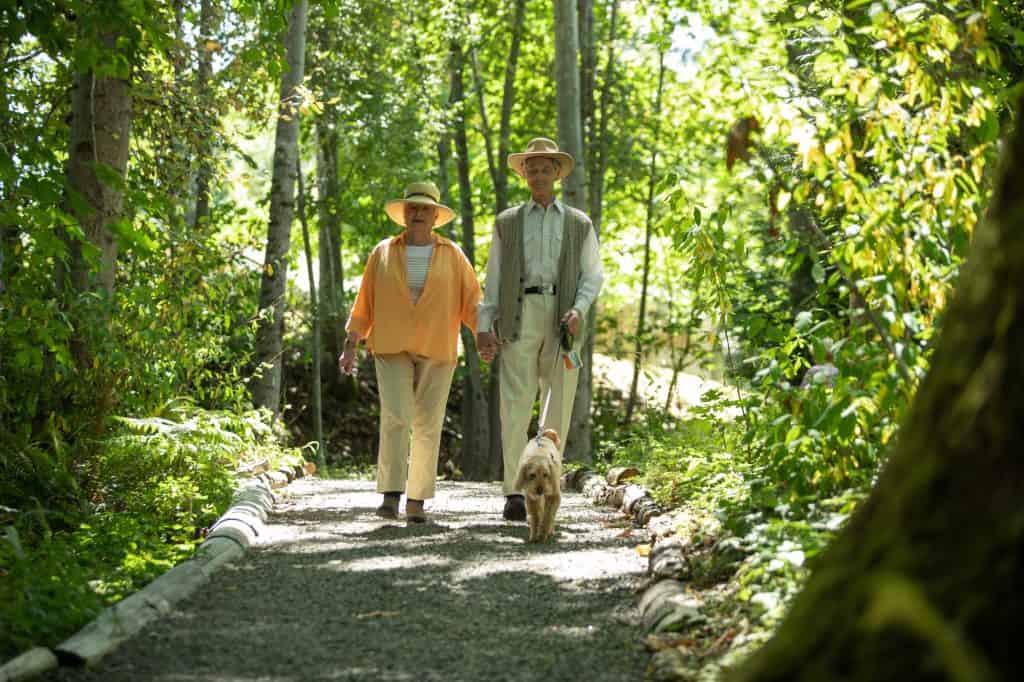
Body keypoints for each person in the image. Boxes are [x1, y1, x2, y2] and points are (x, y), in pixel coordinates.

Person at [476, 138, 604, 521]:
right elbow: (494, 277)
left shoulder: (579, 223)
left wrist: (580, 309)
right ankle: (515, 493)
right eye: (531, 168)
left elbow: (593, 275)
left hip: (562, 315)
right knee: (514, 403)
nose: (538, 174)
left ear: (557, 174)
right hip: (519, 312)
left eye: (545, 168)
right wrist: (485, 325)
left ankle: (547, 485)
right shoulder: (507, 221)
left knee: (558, 401)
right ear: (524, 174)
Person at [340, 181, 481, 523]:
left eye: (424, 209)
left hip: (438, 346)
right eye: (412, 208)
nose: (417, 213)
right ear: (404, 214)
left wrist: (485, 334)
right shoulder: (384, 252)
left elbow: (473, 301)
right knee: (397, 415)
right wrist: (351, 343)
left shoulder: (452, 254)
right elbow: (365, 302)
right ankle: (390, 495)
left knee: (429, 423)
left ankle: (417, 499)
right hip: (391, 346)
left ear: (435, 216)